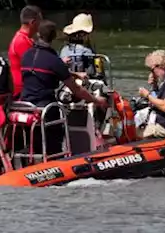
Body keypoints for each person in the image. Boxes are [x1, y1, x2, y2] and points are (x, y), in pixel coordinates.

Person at [18, 20, 107, 155]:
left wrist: (75, 74)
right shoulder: (53, 59)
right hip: (45, 109)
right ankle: (56, 157)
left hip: (25, 106)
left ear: (38, 34)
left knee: (35, 142)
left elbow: (44, 70)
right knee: (56, 136)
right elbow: (76, 90)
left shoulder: (26, 55)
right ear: (53, 37)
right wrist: (97, 100)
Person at [9, 5, 43, 99]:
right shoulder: (21, 41)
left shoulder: (27, 39)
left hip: (27, 88)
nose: (41, 25)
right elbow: (37, 65)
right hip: (22, 91)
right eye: (40, 21)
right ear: (33, 22)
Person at [60, 13, 97, 77]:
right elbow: (91, 72)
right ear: (84, 35)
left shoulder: (64, 49)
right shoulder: (87, 51)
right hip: (83, 80)